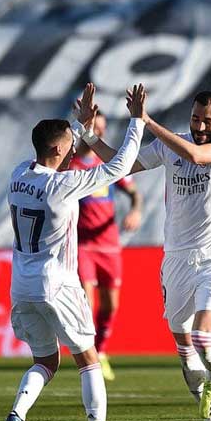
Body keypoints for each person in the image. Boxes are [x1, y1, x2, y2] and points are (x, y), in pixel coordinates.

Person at [4, 83, 144, 421]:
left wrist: (80, 127)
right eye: (68, 145)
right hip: (59, 283)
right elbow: (119, 165)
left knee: (46, 360)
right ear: (56, 150)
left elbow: (61, 149)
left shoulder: (18, 174)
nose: (73, 150)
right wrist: (136, 122)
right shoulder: (63, 186)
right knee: (88, 358)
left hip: (22, 286)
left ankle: (18, 413)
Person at [128, 84, 211, 421]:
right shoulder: (170, 145)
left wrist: (145, 120)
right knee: (182, 344)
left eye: (207, 121)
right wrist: (85, 133)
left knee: (203, 337)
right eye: (195, 119)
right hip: (176, 259)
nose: (200, 126)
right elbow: (122, 164)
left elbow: (197, 156)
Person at [69, 110, 143, 381]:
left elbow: (134, 193)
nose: (97, 134)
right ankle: (87, 360)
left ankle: (100, 353)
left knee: (110, 306)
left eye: (100, 129)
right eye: (93, 128)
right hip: (84, 246)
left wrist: (135, 211)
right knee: (86, 304)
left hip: (109, 246)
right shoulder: (71, 166)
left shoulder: (107, 167)